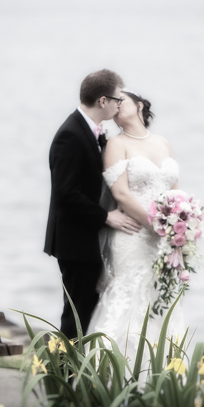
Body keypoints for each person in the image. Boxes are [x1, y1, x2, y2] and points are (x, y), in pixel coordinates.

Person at [44, 69, 141, 339]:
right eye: (117, 100)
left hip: (85, 240)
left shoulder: (90, 131)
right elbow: (67, 193)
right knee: (76, 316)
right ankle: (63, 378)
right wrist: (106, 217)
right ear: (103, 101)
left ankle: (74, 377)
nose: (119, 105)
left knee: (85, 312)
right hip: (75, 242)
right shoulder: (71, 135)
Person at [88, 89, 182, 357]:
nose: (116, 105)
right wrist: (154, 224)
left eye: (122, 100)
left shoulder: (163, 142)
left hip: (163, 240)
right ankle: (108, 373)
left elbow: (175, 191)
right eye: (113, 103)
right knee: (127, 300)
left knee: (159, 302)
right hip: (133, 236)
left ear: (139, 105)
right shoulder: (117, 144)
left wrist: (181, 225)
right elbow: (121, 194)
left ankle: (154, 376)